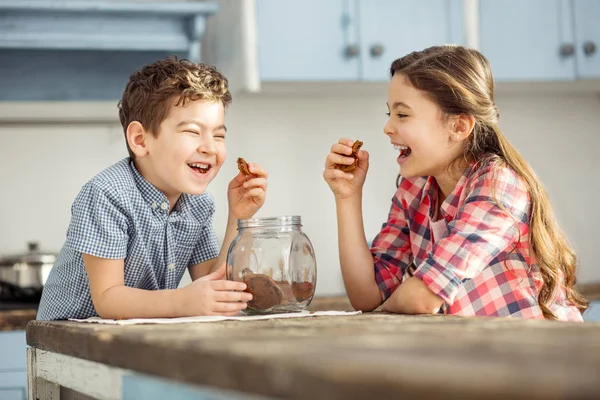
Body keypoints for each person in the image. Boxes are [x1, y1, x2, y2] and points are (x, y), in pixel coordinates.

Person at [323, 45, 587, 321]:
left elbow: (423, 297)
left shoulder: (497, 186)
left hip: (541, 355)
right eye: (389, 113)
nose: (387, 127)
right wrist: (347, 197)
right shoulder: (414, 189)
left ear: (459, 127)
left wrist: (392, 303)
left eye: (402, 114)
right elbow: (367, 294)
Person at [38, 56, 267, 320]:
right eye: (193, 131)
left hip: (131, 338)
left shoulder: (199, 205)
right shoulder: (108, 194)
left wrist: (238, 217)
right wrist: (181, 301)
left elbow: (213, 283)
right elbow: (108, 299)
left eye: (219, 135)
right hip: (66, 342)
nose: (210, 147)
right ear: (140, 140)